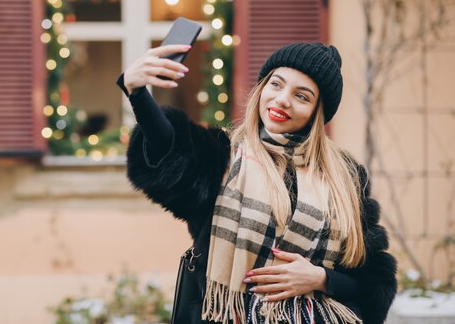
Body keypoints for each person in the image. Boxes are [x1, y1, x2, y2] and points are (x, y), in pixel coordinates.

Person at [116, 42, 397, 324]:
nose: (283, 99)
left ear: (317, 113)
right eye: (277, 84)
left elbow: (372, 284)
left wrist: (321, 279)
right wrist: (138, 93)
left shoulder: (344, 178)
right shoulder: (222, 158)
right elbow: (170, 148)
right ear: (262, 87)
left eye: (302, 96)